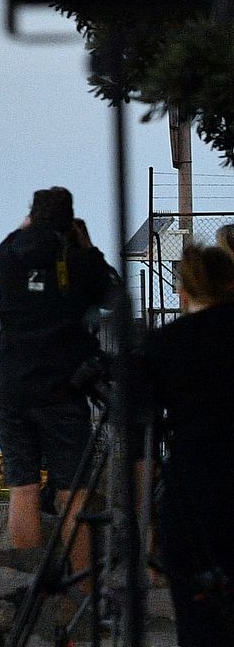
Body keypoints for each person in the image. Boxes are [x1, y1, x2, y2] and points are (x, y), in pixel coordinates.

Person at [0, 187, 118, 558]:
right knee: (72, 492)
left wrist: (26, 229)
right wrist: (87, 246)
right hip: (63, 387)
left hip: (11, 387)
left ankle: (23, 582)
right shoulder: (78, 263)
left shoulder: (10, 261)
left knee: (23, 486)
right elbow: (111, 293)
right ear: (69, 221)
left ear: (32, 216)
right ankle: (82, 592)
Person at [146, 240, 234, 647]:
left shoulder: (168, 344)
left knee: (197, 619)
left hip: (194, 492)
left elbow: (140, 427)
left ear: (182, 292)